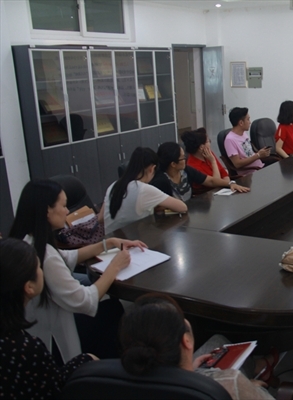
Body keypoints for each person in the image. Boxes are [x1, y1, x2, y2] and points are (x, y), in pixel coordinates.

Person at [8, 179, 145, 361]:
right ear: (47, 210)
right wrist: (115, 266)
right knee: (112, 311)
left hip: (35, 328)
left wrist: (109, 243)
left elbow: (68, 256)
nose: (67, 211)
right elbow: (84, 301)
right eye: (64, 206)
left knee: (109, 307)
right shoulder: (45, 257)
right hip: (52, 341)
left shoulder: (26, 241)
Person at [119, 293, 274, 400]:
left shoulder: (117, 381)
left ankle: (256, 366)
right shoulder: (231, 382)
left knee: (218, 341)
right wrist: (251, 388)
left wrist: (191, 369)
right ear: (186, 340)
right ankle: (260, 369)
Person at [0, 238, 96, 399]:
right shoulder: (27, 349)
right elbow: (53, 387)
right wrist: (85, 359)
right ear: (29, 287)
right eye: (39, 267)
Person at [103, 147, 187, 234]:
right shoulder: (143, 189)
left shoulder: (113, 186)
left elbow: (101, 218)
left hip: (110, 239)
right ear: (152, 169)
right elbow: (182, 207)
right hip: (131, 240)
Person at [152, 141, 249, 200]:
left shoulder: (186, 170)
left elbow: (210, 181)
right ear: (173, 164)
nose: (186, 159)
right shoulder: (161, 181)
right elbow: (160, 208)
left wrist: (230, 183)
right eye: (183, 158)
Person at [182, 128, 249, 192]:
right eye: (208, 141)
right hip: (207, 195)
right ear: (201, 147)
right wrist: (213, 161)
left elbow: (222, 172)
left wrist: (228, 185)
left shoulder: (208, 154)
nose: (210, 143)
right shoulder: (192, 166)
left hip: (222, 190)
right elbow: (215, 182)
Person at [224, 107, 271, 176]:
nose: (250, 122)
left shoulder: (244, 134)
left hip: (260, 167)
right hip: (250, 174)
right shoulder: (230, 140)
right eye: (248, 119)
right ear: (241, 123)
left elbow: (249, 154)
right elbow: (237, 164)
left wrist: (261, 153)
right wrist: (258, 155)